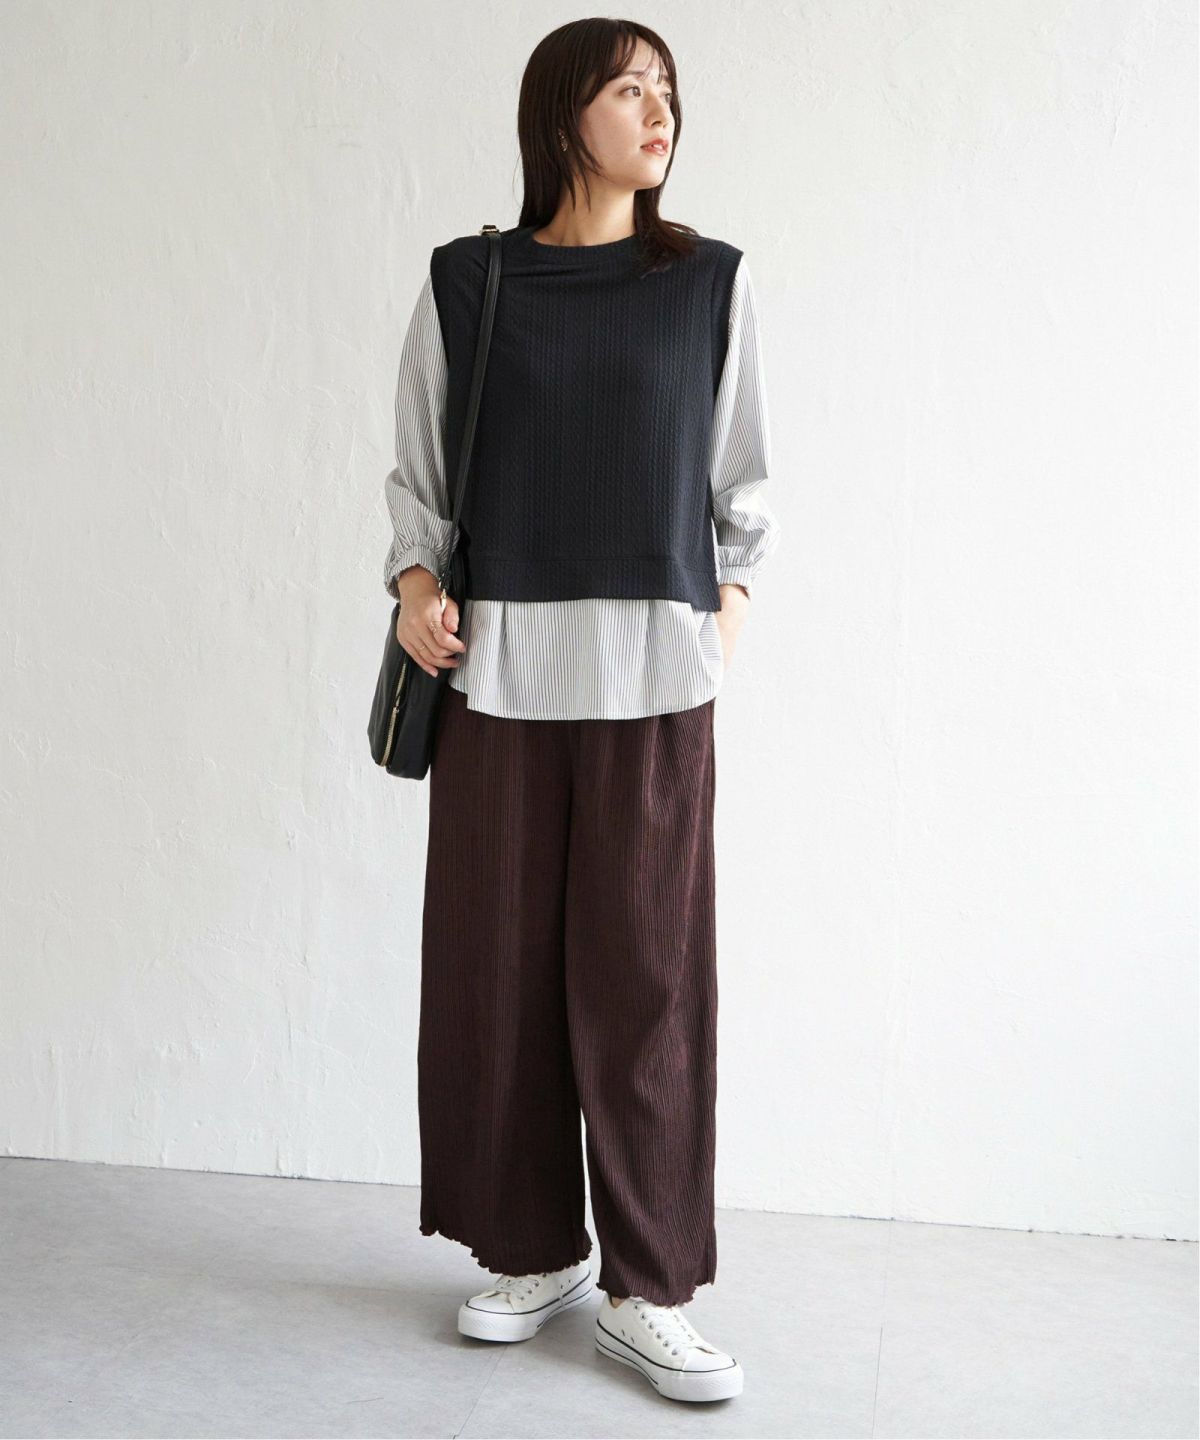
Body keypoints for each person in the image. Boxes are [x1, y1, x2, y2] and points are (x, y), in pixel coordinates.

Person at [381, 18, 781, 1405]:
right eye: (628, 88)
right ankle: (534, 1250)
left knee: (647, 985)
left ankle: (647, 1287)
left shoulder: (709, 283)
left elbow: (742, 483)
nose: (658, 111)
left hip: (655, 682)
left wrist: (725, 619)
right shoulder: (470, 280)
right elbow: (418, 476)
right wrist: (415, 586)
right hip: (497, 677)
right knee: (497, 970)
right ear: (562, 113)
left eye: (667, 90)